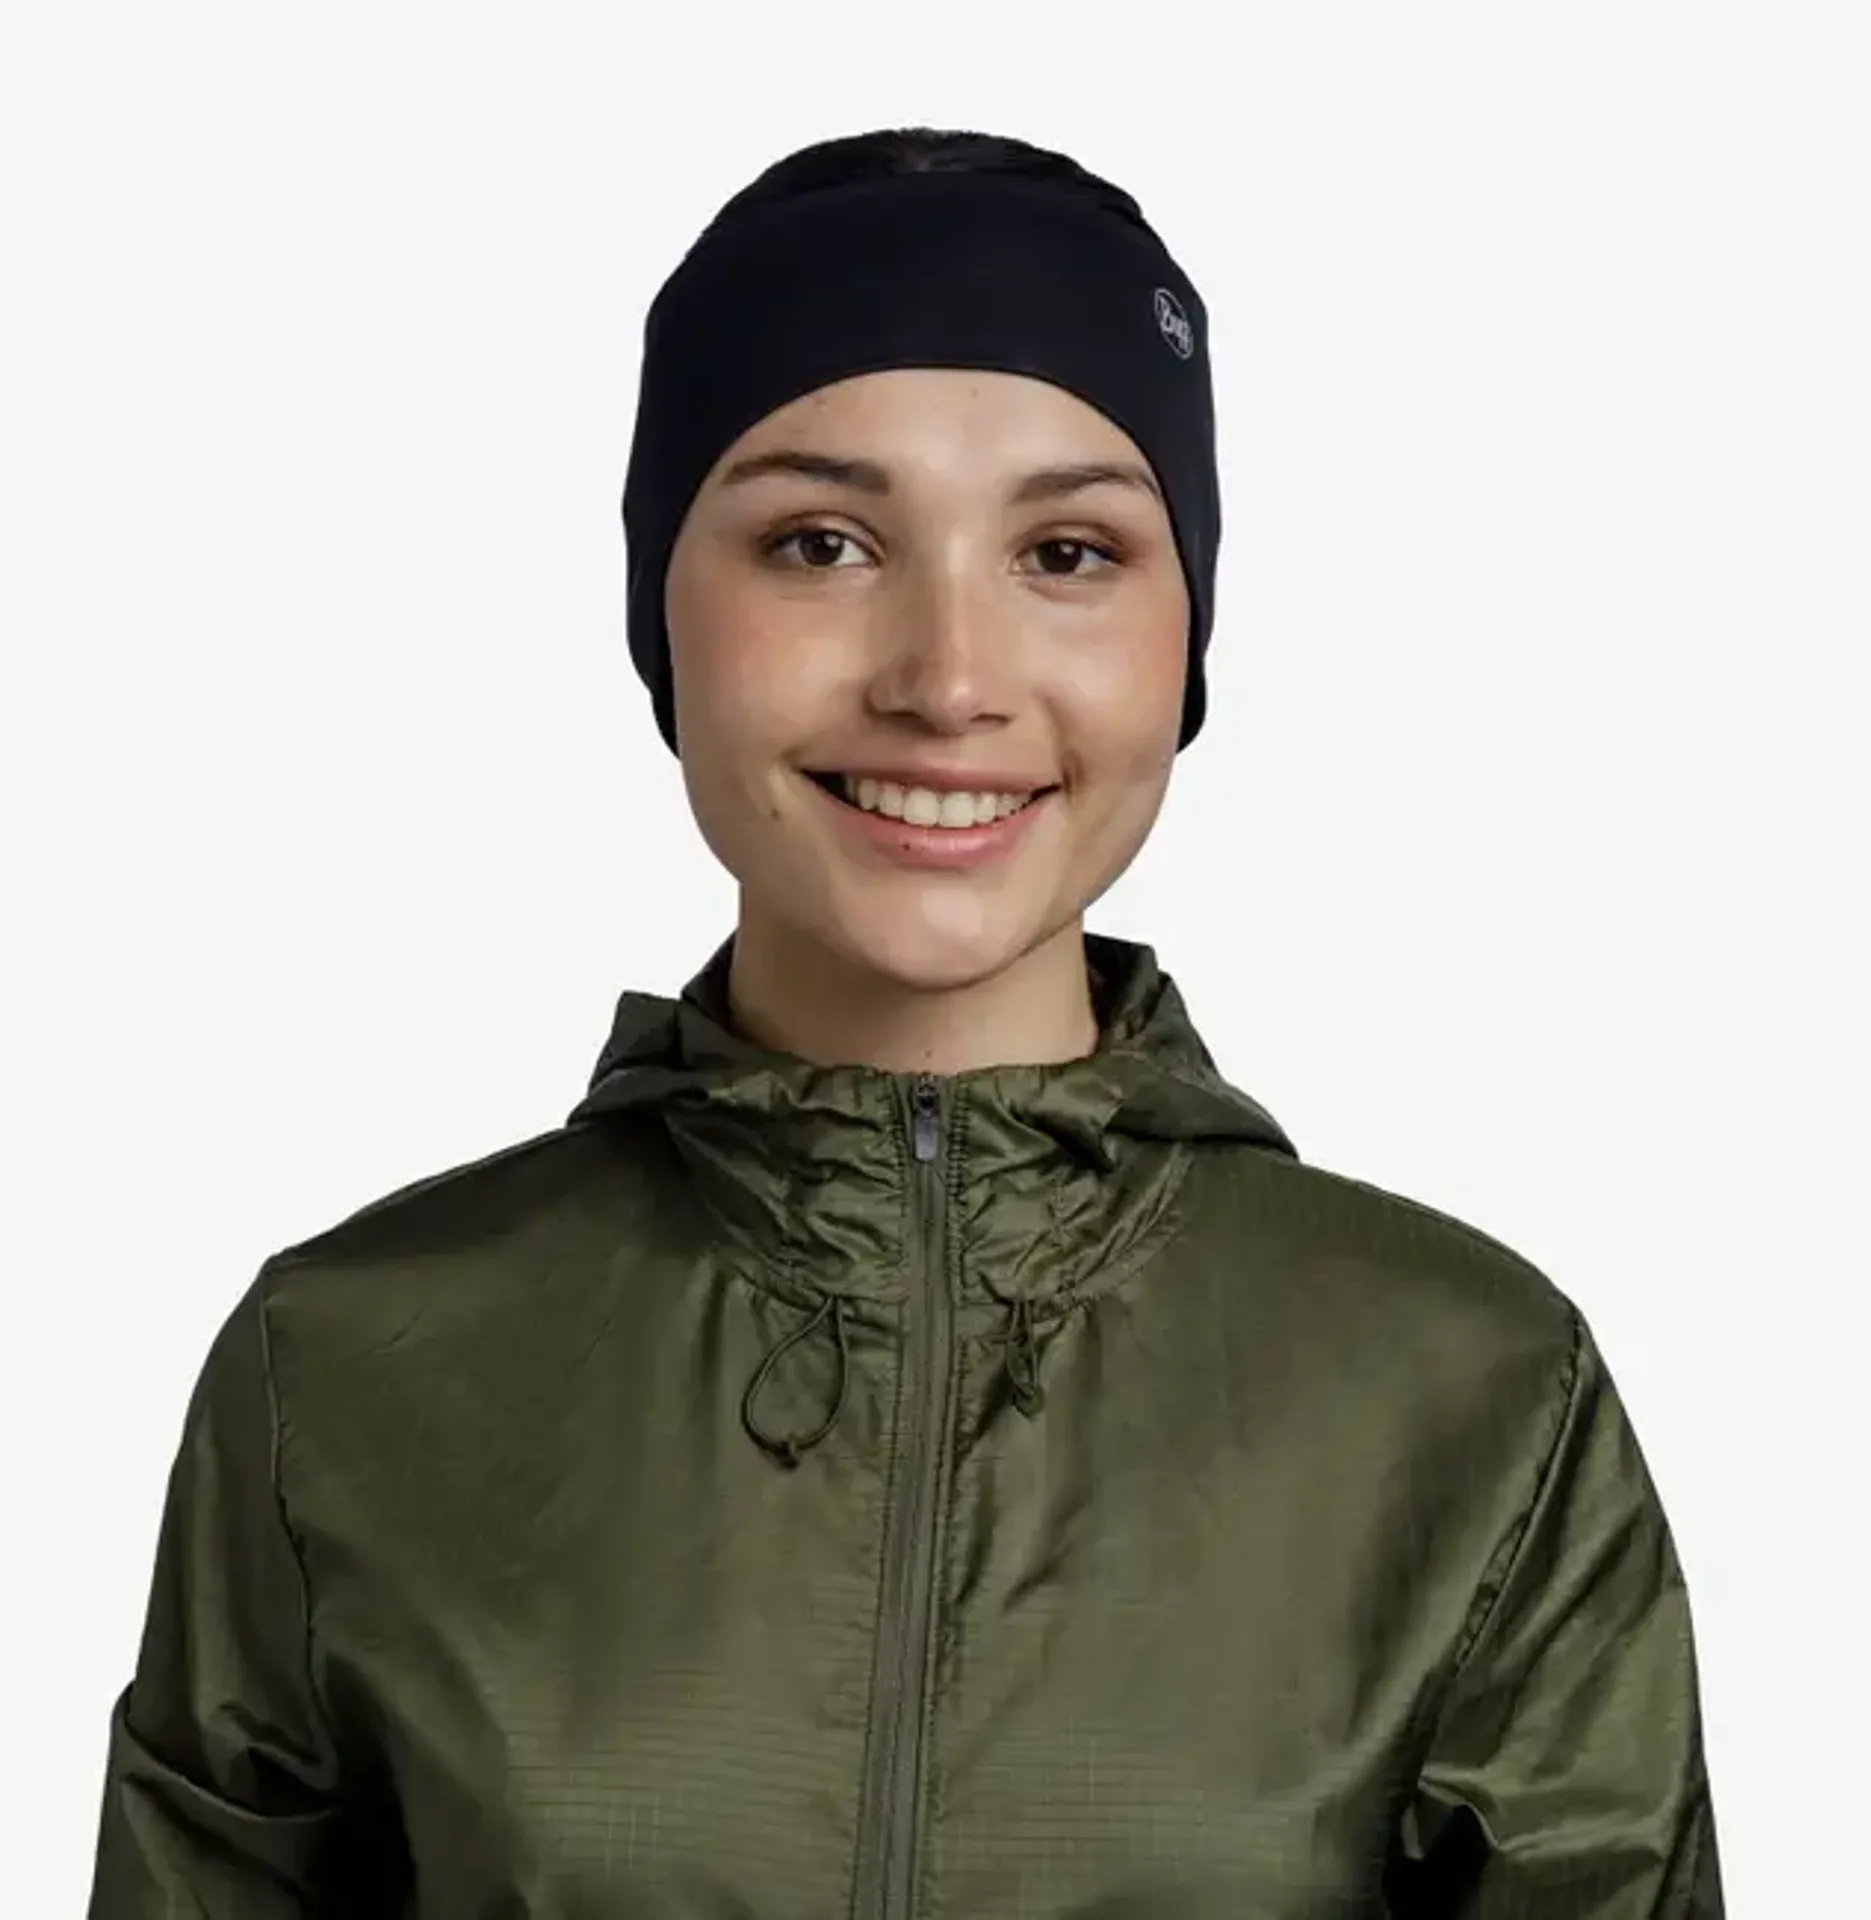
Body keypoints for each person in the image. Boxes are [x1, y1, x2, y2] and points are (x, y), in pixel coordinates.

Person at [87, 126, 1724, 1918]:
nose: (948, 679)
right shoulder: (350, 1373)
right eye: (820, 542)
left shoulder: (1471, 1395)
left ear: (1186, 638)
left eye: (1069, 552)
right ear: (663, 614)